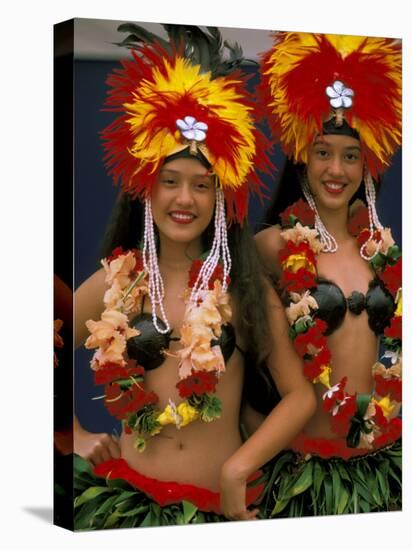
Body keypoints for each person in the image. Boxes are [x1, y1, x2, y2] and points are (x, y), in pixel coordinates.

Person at [73, 27, 316, 529]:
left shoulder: (241, 291)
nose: (185, 199)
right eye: (170, 181)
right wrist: (70, 434)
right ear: (146, 188)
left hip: (215, 513)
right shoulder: (116, 285)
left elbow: (299, 396)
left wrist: (238, 467)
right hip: (126, 507)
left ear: (221, 199)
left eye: (202, 186)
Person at [253, 32, 402, 517]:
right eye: (323, 152)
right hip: (302, 472)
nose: (336, 169)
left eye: (350, 155)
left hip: (382, 465)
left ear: (368, 163)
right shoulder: (273, 246)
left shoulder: (383, 250)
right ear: (302, 157)